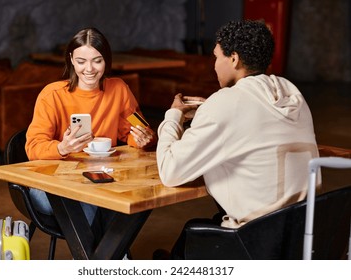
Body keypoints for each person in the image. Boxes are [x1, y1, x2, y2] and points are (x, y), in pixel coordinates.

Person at [156, 20, 319, 245]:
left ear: (233, 59)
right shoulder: (293, 94)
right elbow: (255, 123)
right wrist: (209, 112)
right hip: (302, 234)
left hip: (258, 241)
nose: (214, 65)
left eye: (216, 57)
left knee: (189, 236)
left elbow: (170, 171)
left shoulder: (225, 103)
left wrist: (173, 115)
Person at [25, 27, 156, 226]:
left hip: (101, 177)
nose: (89, 69)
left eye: (97, 60)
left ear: (107, 60)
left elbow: (137, 130)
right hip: (52, 185)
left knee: (127, 196)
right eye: (81, 61)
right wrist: (63, 148)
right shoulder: (51, 95)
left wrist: (144, 138)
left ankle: (104, 254)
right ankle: (109, 254)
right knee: (94, 200)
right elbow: (32, 147)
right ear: (71, 59)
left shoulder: (119, 89)